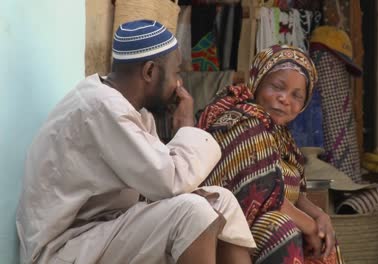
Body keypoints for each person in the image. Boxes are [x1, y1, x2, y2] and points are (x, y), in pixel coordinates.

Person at [16, 20, 256, 264]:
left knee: (220, 201)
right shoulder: (102, 107)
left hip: (101, 233)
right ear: (150, 71)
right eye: (176, 72)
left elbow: (157, 184)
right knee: (192, 213)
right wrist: (186, 125)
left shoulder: (132, 111)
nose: (179, 84)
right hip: (65, 249)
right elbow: (169, 182)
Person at [197, 45, 341, 264]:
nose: (284, 99)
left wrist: (320, 216)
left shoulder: (283, 137)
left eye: (297, 96)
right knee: (280, 228)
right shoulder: (243, 123)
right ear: (257, 82)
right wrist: (309, 225)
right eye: (277, 87)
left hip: (262, 228)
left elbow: (293, 193)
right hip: (226, 238)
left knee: (325, 237)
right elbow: (263, 193)